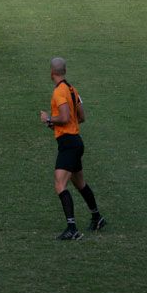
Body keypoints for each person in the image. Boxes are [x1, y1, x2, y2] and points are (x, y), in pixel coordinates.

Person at [40, 58, 106, 240]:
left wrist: (48, 119)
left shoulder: (59, 92)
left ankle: (72, 229)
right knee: (79, 183)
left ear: (51, 72)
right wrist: (60, 122)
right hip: (76, 141)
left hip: (68, 144)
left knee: (60, 185)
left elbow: (64, 117)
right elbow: (81, 117)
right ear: (65, 71)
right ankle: (97, 217)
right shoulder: (72, 90)